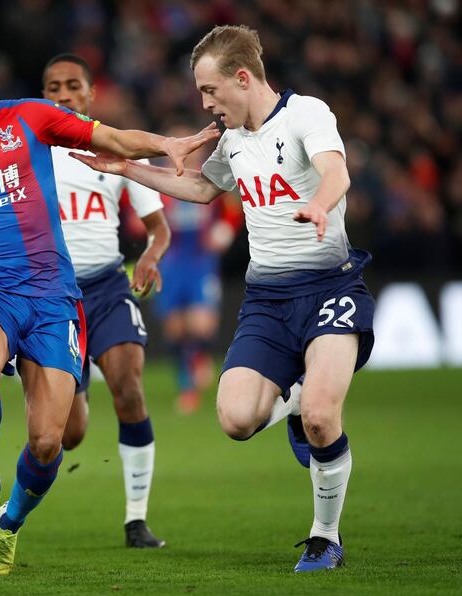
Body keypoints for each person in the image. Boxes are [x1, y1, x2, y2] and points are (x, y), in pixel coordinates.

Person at [0, 38, 219, 576]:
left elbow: (110, 136)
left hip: (52, 300)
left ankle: (10, 527)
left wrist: (165, 144)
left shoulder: (28, 120)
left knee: (50, 441)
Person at [72, 25, 375, 573]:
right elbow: (202, 189)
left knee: (325, 419)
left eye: (210, 91)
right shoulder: (232, 139)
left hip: (330, 287)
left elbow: (337, 171)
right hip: (267, 300)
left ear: (242, 77)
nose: (205, 103)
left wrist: (321, 206)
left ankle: (324, 537)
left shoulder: (307, 114)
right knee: (235, 420)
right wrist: (126, 169)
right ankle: (296, 401)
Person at [0, 53, 171, 549]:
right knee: (67, 436)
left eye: (72, 85)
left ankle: (136, 519)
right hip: (40, 294)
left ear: (90, 94)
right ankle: (9, 496)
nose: (63, 95)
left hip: (105, 287)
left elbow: (158, 227)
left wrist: (151, 255)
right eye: (53, 86)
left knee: (127, 383)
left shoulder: (112, 150)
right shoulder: (26, 146)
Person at [150, 133, 241, 414]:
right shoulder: (159, 185)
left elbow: (234, 208)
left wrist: (225, 230)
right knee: (175, 330)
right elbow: (138, 218)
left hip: (201, 261)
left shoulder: (208, 181)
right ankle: (186, 381)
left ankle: (193, 377)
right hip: (171, 261)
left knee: (201, 326)